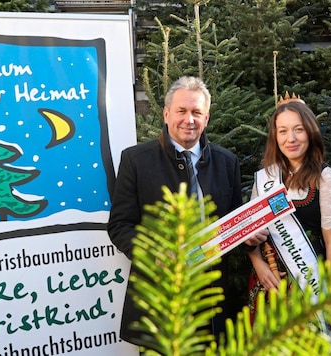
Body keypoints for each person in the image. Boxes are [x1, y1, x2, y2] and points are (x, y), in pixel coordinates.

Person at [107, 76, 265, 348]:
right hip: (160, 294)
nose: (189, 119)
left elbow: (231, 221)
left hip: (211, 295)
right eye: (181, 111)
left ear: (207, 118)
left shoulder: (227, 162)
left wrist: (247, 236)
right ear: (166, 114)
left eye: (197, 113)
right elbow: (120, 225)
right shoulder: (135, 160)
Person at [246, 97, 331, 338]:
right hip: (269, 283)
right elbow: (250, 232)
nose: (291, 139)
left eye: (298, 130)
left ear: (310, 132)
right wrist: (259, 266)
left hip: (309, 281)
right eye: (283, 131)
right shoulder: (265, 178)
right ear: (275, 137)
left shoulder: (325, 178)